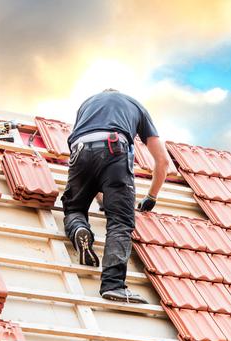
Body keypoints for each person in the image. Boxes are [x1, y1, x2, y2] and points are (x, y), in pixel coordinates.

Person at [60, 89, 170, 304]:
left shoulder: (86, 103)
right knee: (120, 221)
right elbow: (163, 161)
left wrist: (101, 199)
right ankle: (113, 285)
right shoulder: (136, 106)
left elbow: (92, 164)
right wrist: (152, 196)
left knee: (74, 207)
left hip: (79, 150)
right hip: (114, 148)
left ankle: (79, 229)